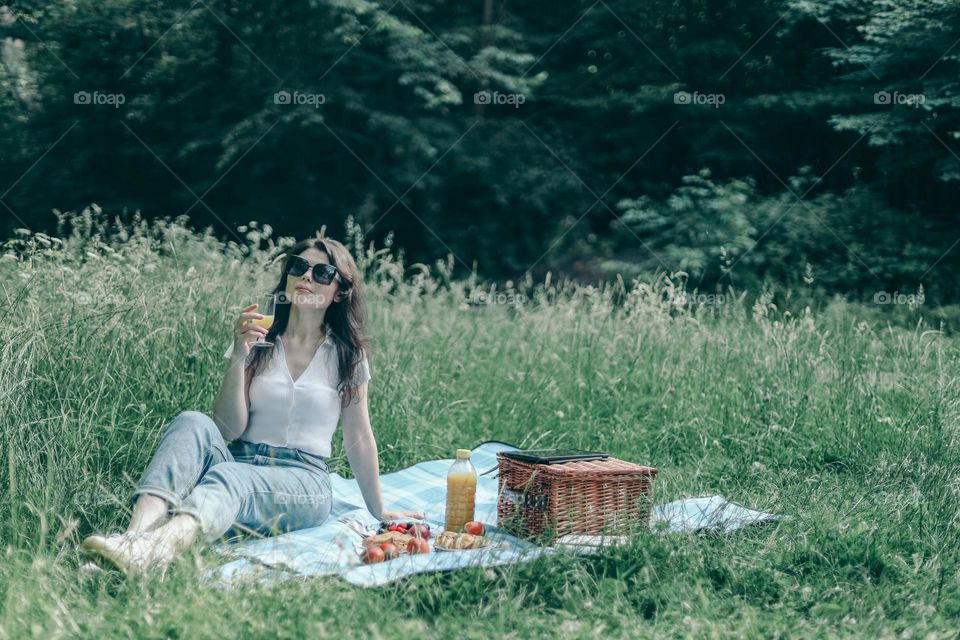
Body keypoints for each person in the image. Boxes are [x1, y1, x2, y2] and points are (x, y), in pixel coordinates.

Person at [80, 236, 425, 575]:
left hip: (303, 479)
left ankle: (155, 551)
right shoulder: (258, 340)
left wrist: (378, 507)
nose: (306, 276)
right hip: (240, 456)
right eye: (299, 266)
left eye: (322, 273)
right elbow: (228, 429)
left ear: (339, 292)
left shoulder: (347, 355)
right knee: (192, 421)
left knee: (231, 477)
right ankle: (132, 542)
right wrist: (239, 357)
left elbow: (359, 436)